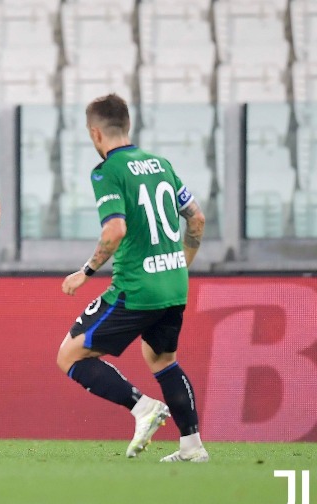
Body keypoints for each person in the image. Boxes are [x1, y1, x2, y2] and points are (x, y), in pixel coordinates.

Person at [57, 94, 209, 463]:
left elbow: (114, 230)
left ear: (95, 133)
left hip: (136, 288)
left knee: (70, 355)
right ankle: (192, 447)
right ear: (127, 126)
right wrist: (179, 264)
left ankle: (143, 408)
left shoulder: (107, 171)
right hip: (174, 284)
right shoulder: (160, 163)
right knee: (161, 359)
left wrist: (86, 271)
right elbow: (197, 219)